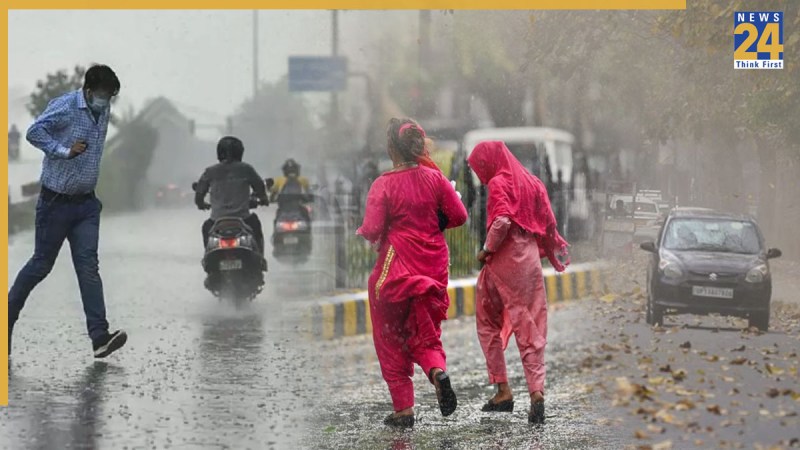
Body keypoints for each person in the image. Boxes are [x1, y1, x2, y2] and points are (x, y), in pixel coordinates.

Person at [8, 64, 127, 359]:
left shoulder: (103, 110)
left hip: (86, 205)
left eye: (110, 97)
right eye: (102, 95)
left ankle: (99, 337)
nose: (105, 102)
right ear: (88, 92)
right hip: (55, 203)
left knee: (88, 266)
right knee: (41, 265)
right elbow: (34, 132)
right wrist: (63, 150)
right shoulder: (65, 107)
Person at [357, 118, 468, 428]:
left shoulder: (384, 184)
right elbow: (459, 215)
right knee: (425, 335)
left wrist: (363, 231)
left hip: (395, 270)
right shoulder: (435, 179)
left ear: (391, 146)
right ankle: (437, 373)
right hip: (432, 270)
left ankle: (404, 409)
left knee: (390, 337)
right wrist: (432, 223)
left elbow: (373, 228)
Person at [467, 141, 570, 425]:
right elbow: (547, 219)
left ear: (488, 161)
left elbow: (501, 221)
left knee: (487, 320)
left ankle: (502, 389)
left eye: (478, 168)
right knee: (532, 325)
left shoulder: (500, 182)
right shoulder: (531, 181)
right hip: (529, 264)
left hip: (504, 262)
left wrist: (486, 249)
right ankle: (536, 392)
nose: (479, 175)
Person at [194, 136, 269, 270]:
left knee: (206, 227)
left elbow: (199, 193)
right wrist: (263, 199)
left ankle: (208, 263)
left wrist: (201, 204)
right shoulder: (246, 169)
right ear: (240, 152)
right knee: (256, 225)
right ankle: (260, 261)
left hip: (217, 221)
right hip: (244, 219)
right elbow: (259, 187)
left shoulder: (210, 171)